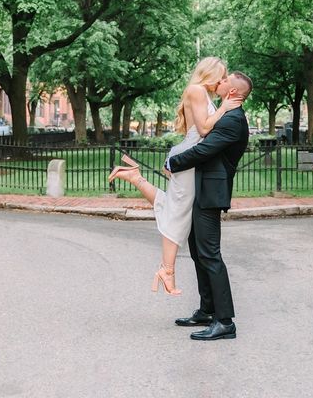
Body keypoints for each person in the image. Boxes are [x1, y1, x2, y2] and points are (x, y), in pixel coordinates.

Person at [108, 57, 242, 296]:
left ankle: (136, 177)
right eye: (220, 76)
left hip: (190, 156)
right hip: (190, 156)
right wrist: (224, 108)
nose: (222, 82)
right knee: (177, 212)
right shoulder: (197, 90)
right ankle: (166, 270)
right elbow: (203, 130)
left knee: (175, 207)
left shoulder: (203, 93)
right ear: (208, 73)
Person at [166, 70, 252, 341]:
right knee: (198, 253)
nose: (221, 80)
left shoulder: (233, 120)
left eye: (225, 80)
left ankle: (225, 321)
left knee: (210, 254)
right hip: (199, 190)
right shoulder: (226, 114)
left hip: (210, 193)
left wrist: (173, 162)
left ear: (233, 92)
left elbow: (205, 151)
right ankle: (206, 310)